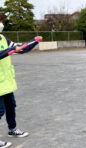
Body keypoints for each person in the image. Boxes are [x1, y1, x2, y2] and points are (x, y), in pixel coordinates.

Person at [0, 14, 43, 148]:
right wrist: (11, 50)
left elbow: (20, 49)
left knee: (11, 107)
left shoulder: (2, 38)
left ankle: (12, 130)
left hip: (6, 82)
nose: (1, 24)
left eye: (1, 21)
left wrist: (33, 41)